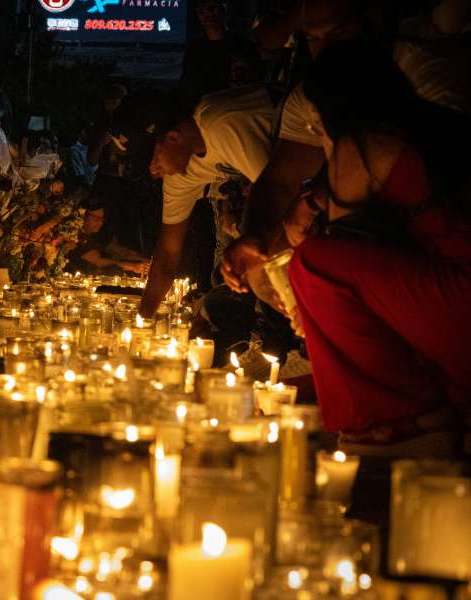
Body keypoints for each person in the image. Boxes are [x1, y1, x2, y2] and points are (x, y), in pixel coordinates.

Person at [287, 41, 471, 454]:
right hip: (451, 297)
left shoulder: (363, 146)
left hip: (460, 303)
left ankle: (395, 419)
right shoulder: (436, 126)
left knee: (313, 266)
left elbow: (339, 249)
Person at [222, 0, 471, 300]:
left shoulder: (418, 71)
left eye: (337, 34)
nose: (325, 49)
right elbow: (280, 181)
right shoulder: (313, 94)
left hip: (442, 256)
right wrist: (255, 236)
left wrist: (318, 200)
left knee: (320, 270)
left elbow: (438, 176)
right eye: (313, 37)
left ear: (374, 22)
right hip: (380, 251)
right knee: (270, 275)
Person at [138, 85, 277, 318]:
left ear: (173, 137)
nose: (153, 171)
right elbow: (167, 255)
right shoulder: (178, 176)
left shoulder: (219, 123)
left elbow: (279, 192)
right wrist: (143, 319)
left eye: (153, 160)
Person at [179, 0, 263, 110]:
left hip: (232, 109)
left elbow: (253, 82)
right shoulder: (195, 48)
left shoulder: (243, 46)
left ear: (224, 11)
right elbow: (186, 84)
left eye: (211, 9)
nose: (208, 15)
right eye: (201, 11)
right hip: (201, 110)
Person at [65, 200, 151, 277]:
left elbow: (121, 251)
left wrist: (147, 261)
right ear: (83, 217)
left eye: (102, 219)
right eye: (96, 219)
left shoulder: (98, 235)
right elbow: (98, 261)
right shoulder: (73, 238)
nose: (100, 223)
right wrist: (133, 267)